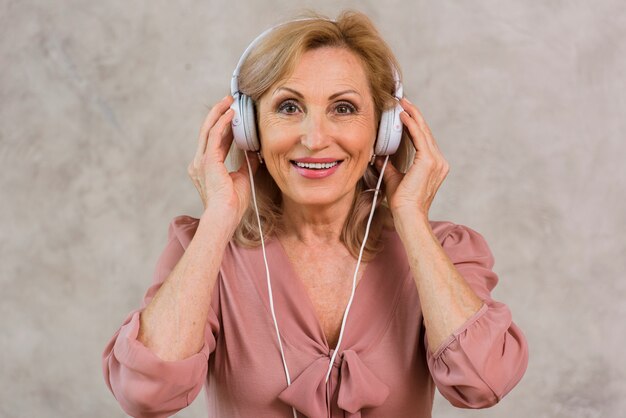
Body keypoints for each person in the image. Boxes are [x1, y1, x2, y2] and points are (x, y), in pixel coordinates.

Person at [102, 10, 529, 418]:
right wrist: (218, 218)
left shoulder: (448, 250)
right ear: (250, 129)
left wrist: (411, 219)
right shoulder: (204, 252)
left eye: (343, 108)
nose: (315, 138)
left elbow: (484, 380)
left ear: (384, 130)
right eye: (289, 107)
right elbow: (145, 394)